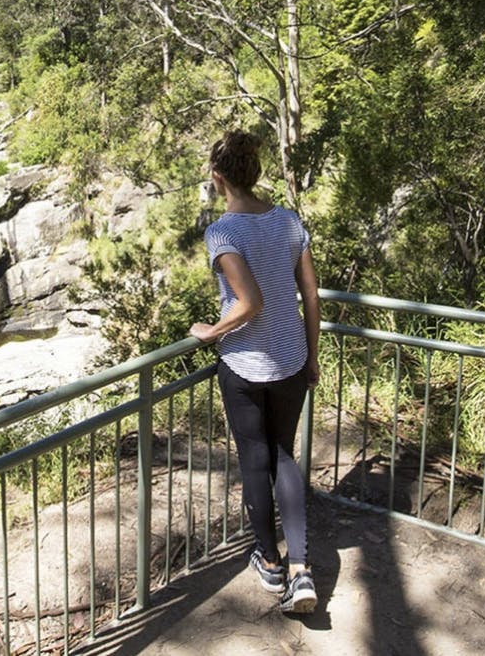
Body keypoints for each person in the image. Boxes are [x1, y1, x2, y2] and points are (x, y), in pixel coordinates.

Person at [189, 130, 321, 614]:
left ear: (218, 178)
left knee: (255, 462)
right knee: (284, 455)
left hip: (245, 363)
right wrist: (311, 355)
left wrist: (210, 330)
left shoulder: (222, 231)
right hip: (289, 360)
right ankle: (303, 569)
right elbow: (310, 296)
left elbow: (249, 303)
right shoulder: (288, 221)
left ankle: (269, 561)